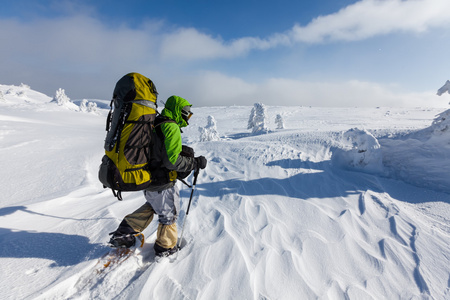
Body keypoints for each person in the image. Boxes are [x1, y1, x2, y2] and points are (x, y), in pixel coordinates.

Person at [108, 95, 207, 257]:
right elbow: (172, 161)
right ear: (176, 110)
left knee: (155, 206)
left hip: (148, 179)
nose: (187, 116)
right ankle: (165, 248)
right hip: (162, 182)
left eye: (189, 113)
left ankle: (125, 231)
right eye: (185, 112)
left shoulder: (156, 122)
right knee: (169, 215)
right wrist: (194, 163)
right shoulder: (171, 127)